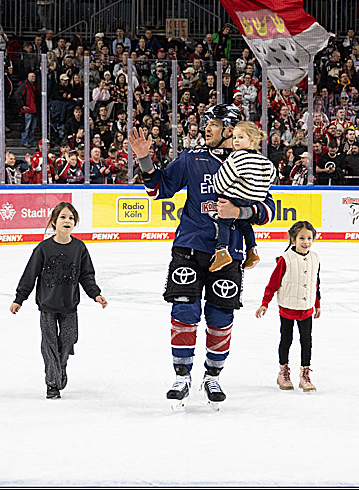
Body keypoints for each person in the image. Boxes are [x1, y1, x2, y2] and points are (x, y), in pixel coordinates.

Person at [127, 103, 276, 410]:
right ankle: (182, 376)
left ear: (231, 129)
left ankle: (213, 376)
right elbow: (158, 189)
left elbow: (267, 211)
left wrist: (239, 212)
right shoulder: (191, 158)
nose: (206, 128)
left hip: (229, 252)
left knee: (221, 317)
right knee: (184, 310)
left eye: (214, 123)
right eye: (205, 122)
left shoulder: (252, 163)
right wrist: (144, 157)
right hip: (189, 246)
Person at [10, 202, 107, 399]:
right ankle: (52, 383)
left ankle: (59, 367)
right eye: (63, 217)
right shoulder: (44, 248)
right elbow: (30, 275)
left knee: (69, 339)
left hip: (69, 305)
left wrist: (95, 293)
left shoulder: (79, 248)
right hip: (47, 306)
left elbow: (86, 275)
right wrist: (19, 298)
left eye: (71, 218)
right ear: (54, 221)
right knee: (49, 344)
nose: (67, 221)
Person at [256, 220, 321, 393]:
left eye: (309, 238)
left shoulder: (315, 258)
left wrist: (318, 304)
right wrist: (264, 303)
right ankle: (283, 372)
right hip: (288, 307)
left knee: (307, 342)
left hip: (306, 308)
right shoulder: (285, 259)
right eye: (301, 238)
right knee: (287, 339)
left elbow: (315, 283)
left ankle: (304, 375)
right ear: (293, 239)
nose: (306, 242)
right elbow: (273, 283)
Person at [210, 121, 276, 272]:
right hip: (253, 200)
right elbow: (272, 176)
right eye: (234, 138)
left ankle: (222, 251)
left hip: (236, 196)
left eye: (240, 137)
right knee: (245, 223)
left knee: (224, 220)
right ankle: (252, 249)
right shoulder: (264, 160)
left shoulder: (236, 157)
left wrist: (220, 189)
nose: (236, 141)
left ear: (251, 141)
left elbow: (220, 183)